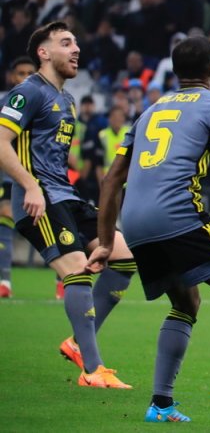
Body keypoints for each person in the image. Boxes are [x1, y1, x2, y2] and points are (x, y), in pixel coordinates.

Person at [87, 36, 210, 424]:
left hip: (137, 224)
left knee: (185, 303)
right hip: (178, 213)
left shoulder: (149, 112)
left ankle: (161, 405)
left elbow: (111, 180)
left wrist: (108, 242)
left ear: (177, 72)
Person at [0, 22, 134, 387]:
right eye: (65, 43)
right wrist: (29, 185)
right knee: (77, 270)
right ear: (43, 53)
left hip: (67, 196)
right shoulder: (28, 92)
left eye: (76, 42)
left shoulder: (68, 101)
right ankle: (93, 370)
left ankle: (77, 342)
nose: (76, 49)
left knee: (123, 256)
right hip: (38, 201)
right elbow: (1, 142)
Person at [0, 55, 37, 298]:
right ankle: (4, 281)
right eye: (20, 73)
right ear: (12, 77)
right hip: (7, 174)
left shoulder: (45, 102)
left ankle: (64, 283)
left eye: (29, 73)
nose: (24, 78)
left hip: (36, 177)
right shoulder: (6, 102)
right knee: (5, 219)